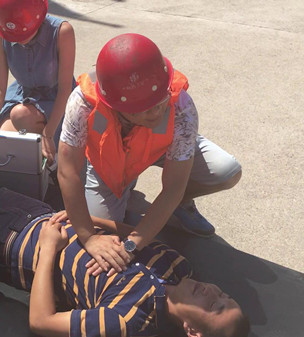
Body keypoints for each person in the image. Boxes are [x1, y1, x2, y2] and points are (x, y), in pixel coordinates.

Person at [0, 174, 249, 337]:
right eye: (223, 294)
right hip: (39, 213)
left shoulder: (128, 321)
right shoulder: (179, 266)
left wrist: (47, 249)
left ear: (193, 331)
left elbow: (41, 322)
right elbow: (135, 235)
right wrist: (90, 221)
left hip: (10, 247)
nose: (211, 292)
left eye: (214, 306)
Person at [57, 33, 242, 275]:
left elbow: (174, 185)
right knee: (105, 243)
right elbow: (67, 171)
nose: (157, 112)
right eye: (145, 110)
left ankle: (179, 206)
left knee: (225, 170)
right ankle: (125, 193)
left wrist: (134, 243)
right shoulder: (82, 103)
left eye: (160, 101)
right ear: (115, 106)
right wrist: (88, 236)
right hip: (108, 164)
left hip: (160, 150)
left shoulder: (181, 106)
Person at [0, 0, 76, 165]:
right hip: (24, 95)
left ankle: (52, 159)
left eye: (23, 34)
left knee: (20, 116)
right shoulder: (1, 36)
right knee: (2, 140)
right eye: (14, 36)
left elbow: (65, 89)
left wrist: (48, 133)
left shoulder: (62, 32)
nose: (18, 41)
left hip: (57, 99)